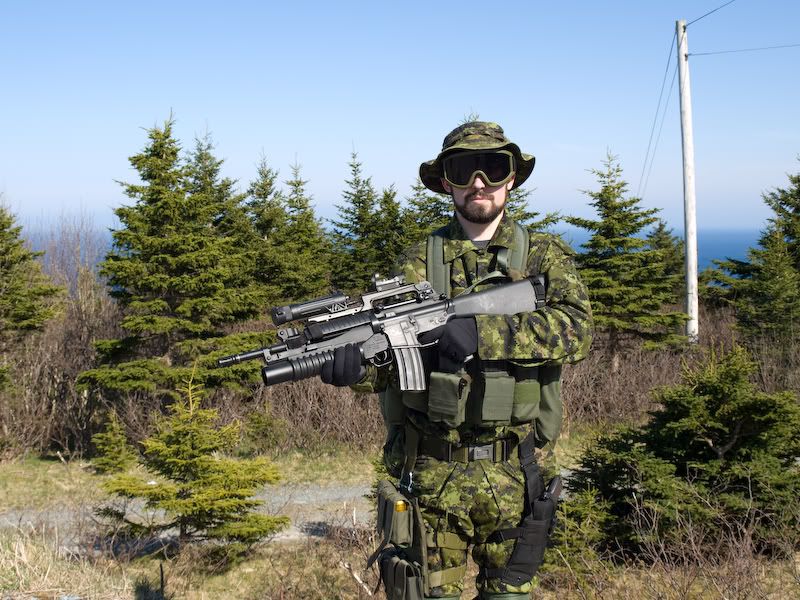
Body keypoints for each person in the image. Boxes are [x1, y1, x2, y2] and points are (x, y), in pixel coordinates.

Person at [321, 121, 593, 600]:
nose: (479, 183)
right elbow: (394, 357)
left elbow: (578, 330)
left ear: (512, 178)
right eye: (465, 170)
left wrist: (483, 333)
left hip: (517, 471)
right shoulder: (418, 262)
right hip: (429, 472)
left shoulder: (543, 255)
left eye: (493, 168)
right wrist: (358, 369)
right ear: (447, 181)